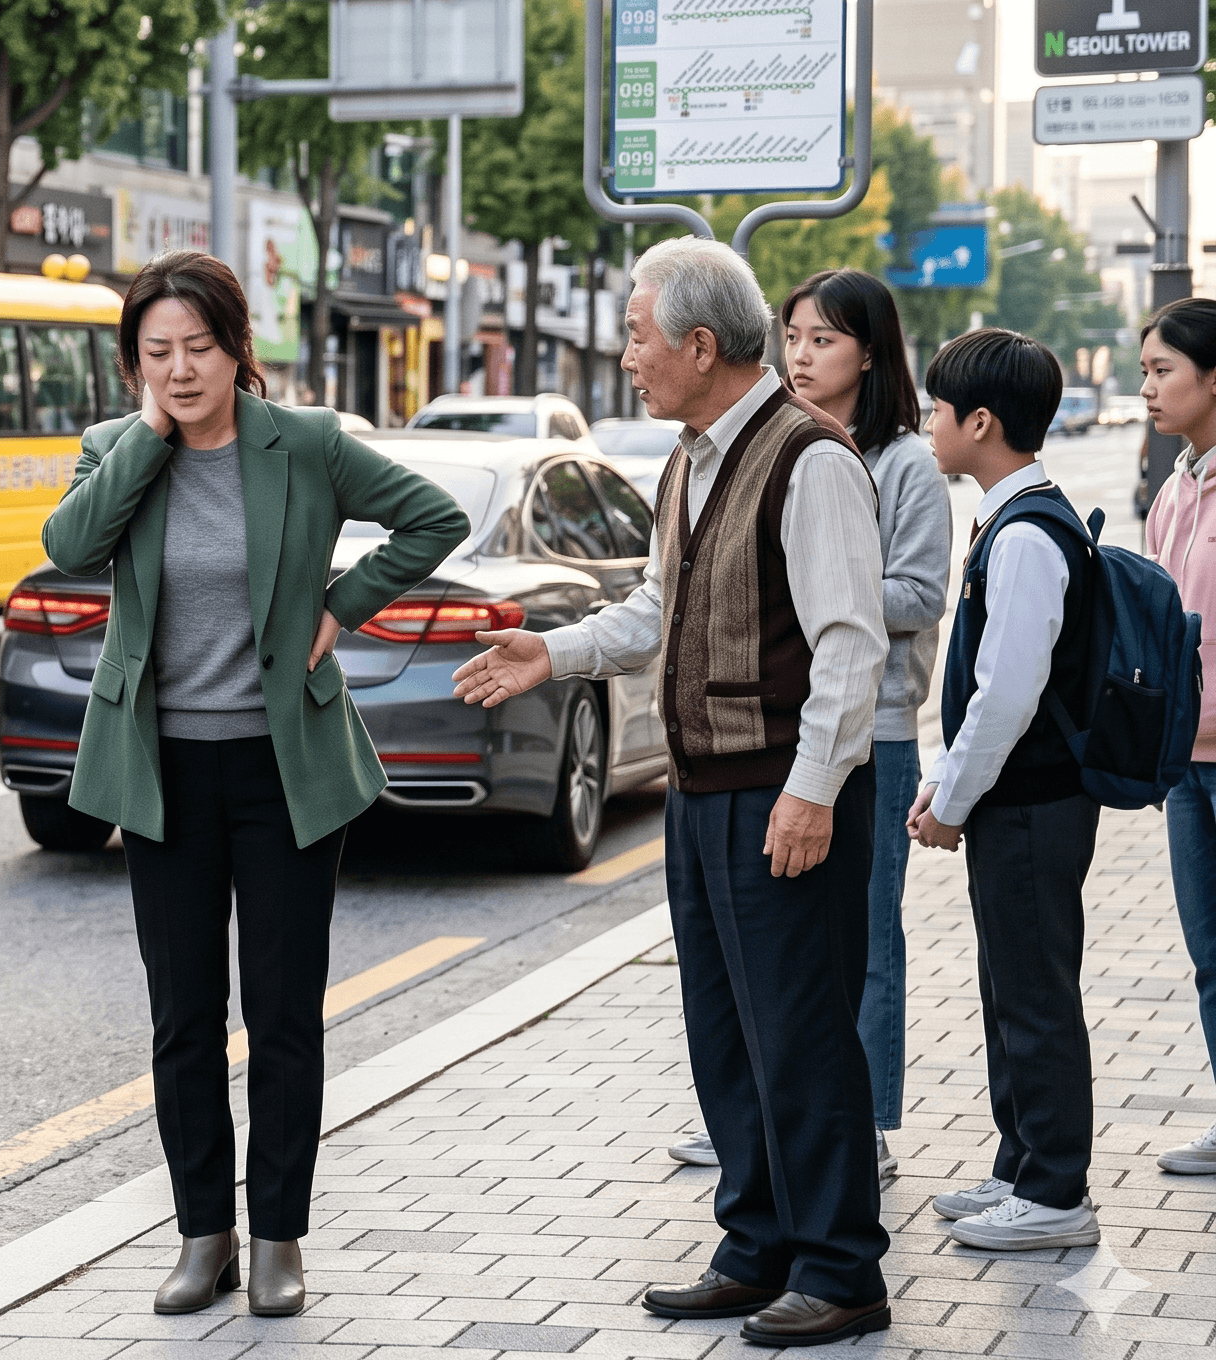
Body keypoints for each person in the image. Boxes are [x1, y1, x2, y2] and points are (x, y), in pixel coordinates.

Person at [453, 237, 892, 1348]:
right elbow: (656, 610)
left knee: (800, 1035)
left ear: (703, 345)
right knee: (725, 1033)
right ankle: (756, 1246)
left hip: (783, 797)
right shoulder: (689, 459)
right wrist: (545, 655)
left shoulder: (812, 461)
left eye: (639, 335)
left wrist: (810, 790)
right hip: (704, 796)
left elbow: (849, 646)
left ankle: (840, 1268)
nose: (626, 357)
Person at [41, 251, 468, 1317]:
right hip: (165, 771)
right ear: (134, 363)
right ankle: (203, 1234)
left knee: (283, 1014)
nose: (180, 371)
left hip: (284, 771)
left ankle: (278, 1235)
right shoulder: (116, 447)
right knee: (183, 1017)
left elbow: (432, 519)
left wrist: (343, 603)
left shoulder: (307, 445)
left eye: (198, 348)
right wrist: (144, 435)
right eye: (156, 354)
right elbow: (67, 545)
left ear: (238, 348)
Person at [666, 270, 951, 1181]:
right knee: (743, 1002)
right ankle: (763, 1211)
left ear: (870, 351)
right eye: (794, 334)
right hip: (734, 769)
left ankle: (850, 1142)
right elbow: (665, 600)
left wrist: (810, 574)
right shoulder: (706, 453)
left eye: (824, 338)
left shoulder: (861, 460)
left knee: (839, 971)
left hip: (852, 743)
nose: (802, 353)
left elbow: (877, 619)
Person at [908, 327, 1102, 1250]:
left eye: (937, 409)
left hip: (1032, 801)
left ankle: (1057, 1192)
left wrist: (953, 799)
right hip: (1018, 801)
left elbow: (1006, 692)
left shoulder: (1027, 534)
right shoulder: (1016, 516)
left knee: (1034, 992)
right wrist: (948, 781)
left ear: (980, 422)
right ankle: (1020, 1163)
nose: (927, 423)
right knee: (1008, 983)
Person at [1140, 297, 1216, 1174]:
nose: (1150, 388)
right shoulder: (1174, 490)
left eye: (1164, 371)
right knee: (1210, 956)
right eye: (1147, 372)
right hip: (1187, 763)